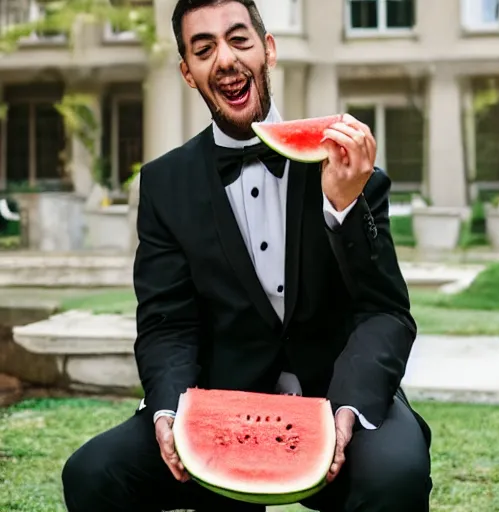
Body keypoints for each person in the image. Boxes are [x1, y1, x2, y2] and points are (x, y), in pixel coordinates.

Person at [61, 1, 433, 511]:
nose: (225, 59)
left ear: (268, 51)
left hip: (338, 392)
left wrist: (350, 405)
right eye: (204, 48)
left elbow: (385, 310)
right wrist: (168, 409)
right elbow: (167, 323)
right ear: (188, 73)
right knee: (92, 473)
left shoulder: (343, 164)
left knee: (396, 474)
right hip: (221, 401)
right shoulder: (166, 185)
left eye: (239, 40)